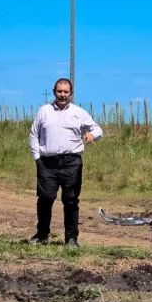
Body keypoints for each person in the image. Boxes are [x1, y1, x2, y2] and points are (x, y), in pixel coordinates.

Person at [28, 78, 103, 248]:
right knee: (45, 198)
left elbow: (98, 129)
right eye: (59, 91)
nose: (62, 95)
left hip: (71, 163)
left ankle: (71, 239)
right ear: (54, 91)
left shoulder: (79, 112)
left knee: (70, 200)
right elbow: (33, 135)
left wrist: (92, 135)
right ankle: (42, 235)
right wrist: (37, 158)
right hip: (47, 163)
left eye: (66, 92)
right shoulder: (44, 111)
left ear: (71, 94)